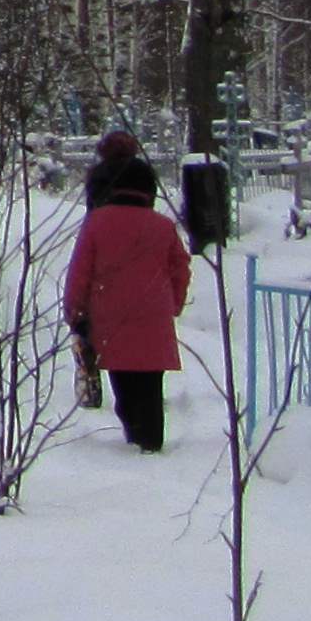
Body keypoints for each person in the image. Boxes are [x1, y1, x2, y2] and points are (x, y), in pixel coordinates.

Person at [65, 153, 191, 451]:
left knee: (124, 384)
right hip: (154, 317)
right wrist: (173, 303)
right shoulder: (163, 226)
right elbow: (180, 268)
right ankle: (150, 437)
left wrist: (76, 312)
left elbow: (80, 271)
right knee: (150, 384)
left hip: (111, 316)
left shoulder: (97, 223)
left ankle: (136, 436)